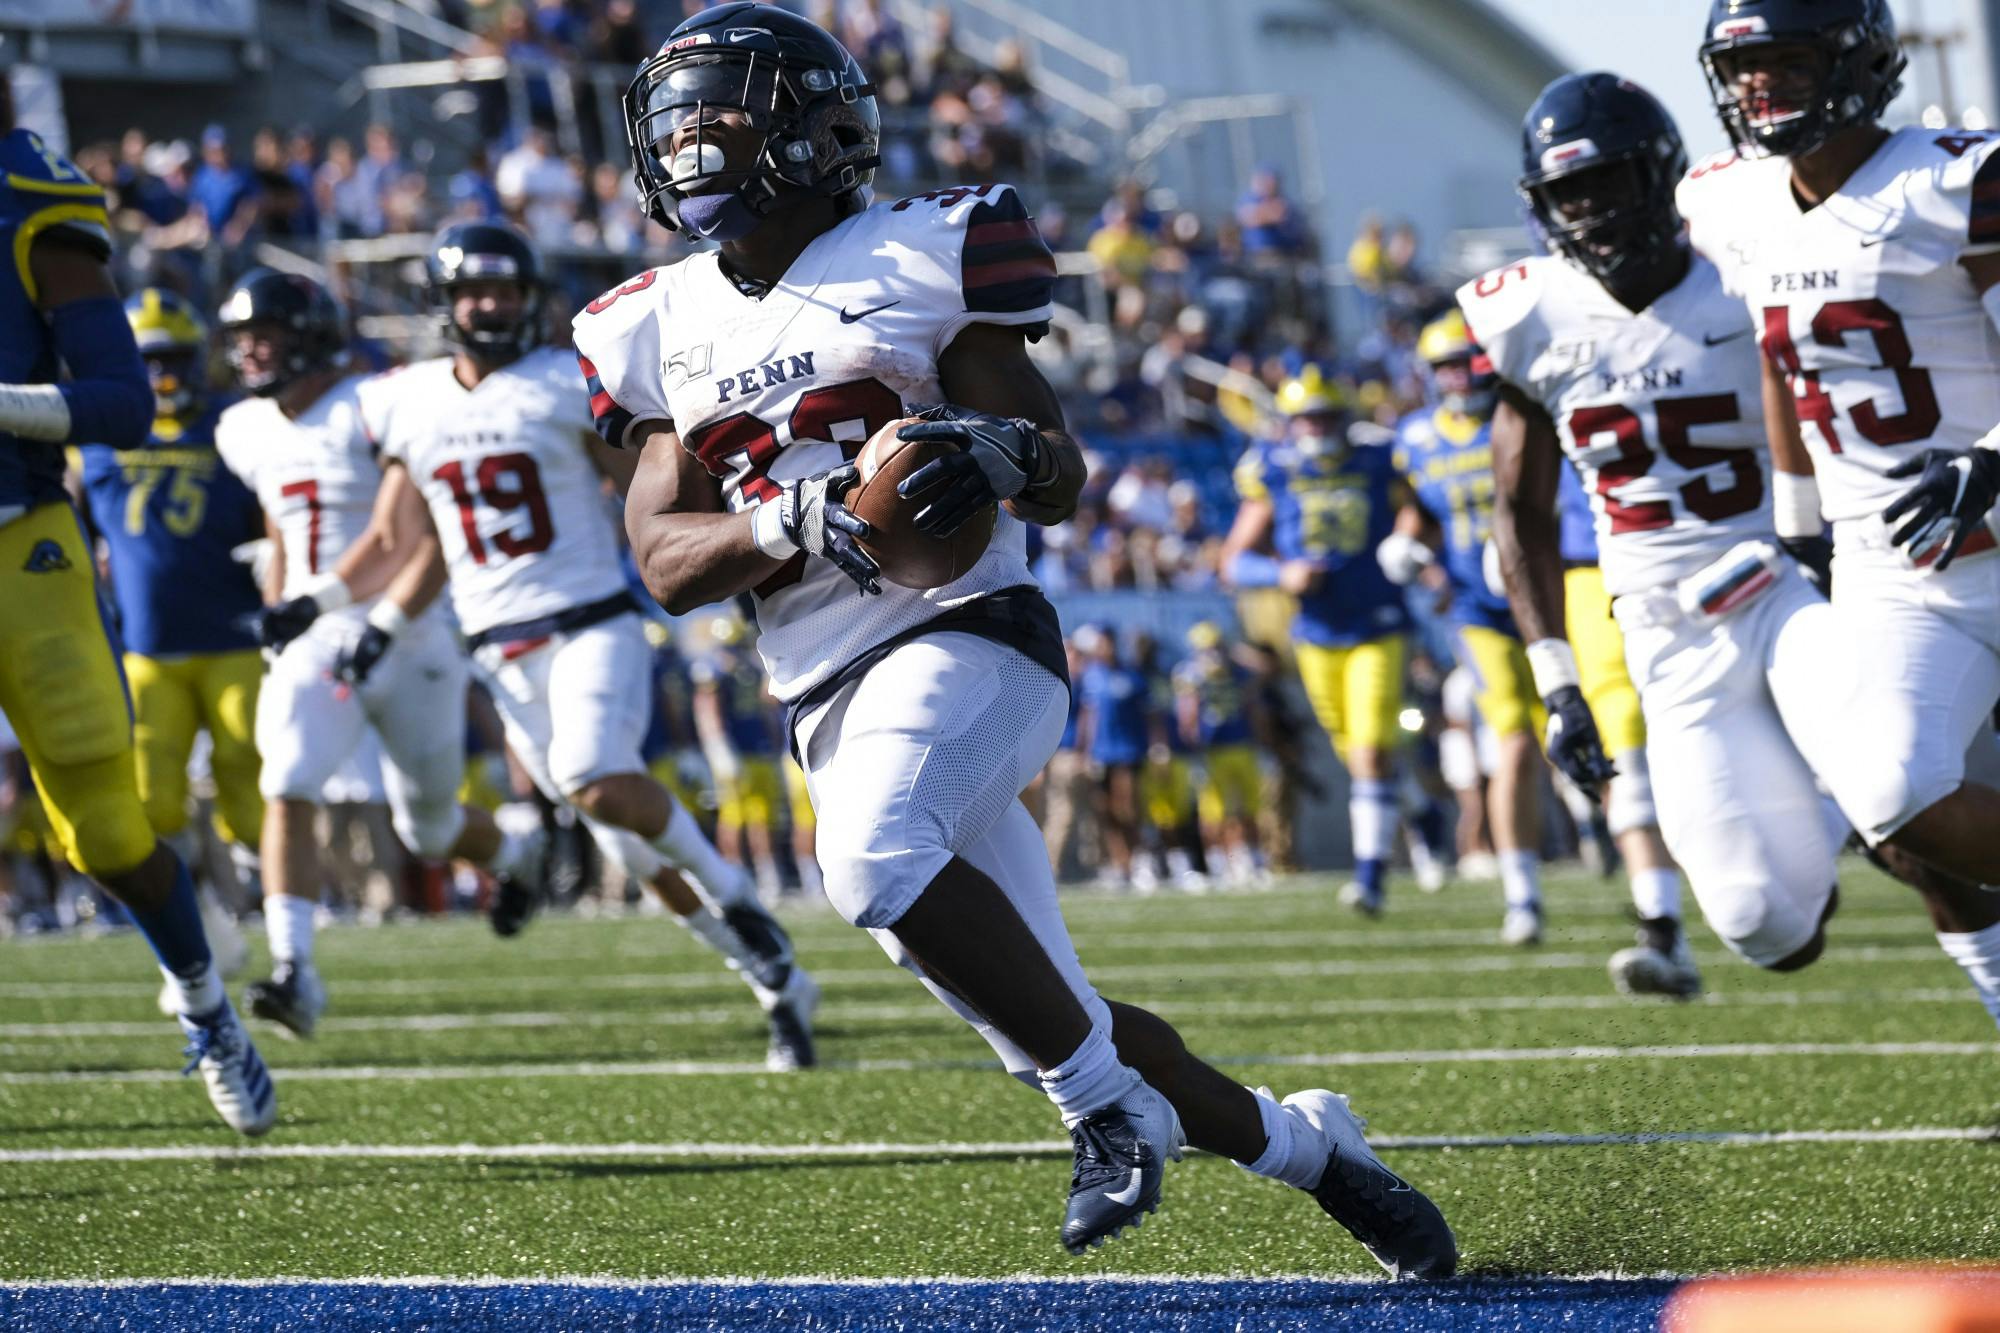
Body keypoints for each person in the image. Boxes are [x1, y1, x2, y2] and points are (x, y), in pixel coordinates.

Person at [580, 2, 1454, 1272]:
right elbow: (664, 563)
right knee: (1049, 1012)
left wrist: (996, 451)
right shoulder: (647, 323)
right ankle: (1314, 1152)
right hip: (821, 686)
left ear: (812, 122)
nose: (689, 136)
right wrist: (804, 517)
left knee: (873, 864)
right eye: (674, 115)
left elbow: (1057, 474)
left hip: (968, 631)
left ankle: (1103, 1113)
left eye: (719, 106)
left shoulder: (924, 251)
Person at [1478, 68, 2000, 1019]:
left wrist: (1808, 538)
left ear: (1662, 176)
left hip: (1791, 589)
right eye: (1569, 192)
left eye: (1610, 181)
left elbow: (1807, 395)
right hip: (1666, 634)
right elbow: (1515, 512)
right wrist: (1557, 678)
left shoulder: (1744, 258)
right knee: (1770, 929)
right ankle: (1821, 822)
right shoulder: (1526, 313)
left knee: (1903, 801)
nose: (1590, 210)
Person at [332, 222, 818, 1069]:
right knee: (626, 845)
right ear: (445, 303)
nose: (492, 306)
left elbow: (655, 489)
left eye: (507, 291)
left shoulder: (563, 383)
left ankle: (747, 906)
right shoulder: (408, 401)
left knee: (596, 781)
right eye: (476, 292)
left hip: (590, 620)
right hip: (496, 646)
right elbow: (425, 543)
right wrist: (379, 626)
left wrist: (716, 571)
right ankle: (774, 979)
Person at [1681, 0, 2000, 1015]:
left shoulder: (1953, 177)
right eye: (1740, 70)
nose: (1756, 89)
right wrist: (1795, 523)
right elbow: (1784, 362)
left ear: (1858, 61)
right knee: (1889, 795)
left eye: (1784, 62)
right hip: (1899, 573)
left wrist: (1987, 456)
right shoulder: (1726, 200)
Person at [0, 93, 274, 1133]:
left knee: (110, 833)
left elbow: (117, 400)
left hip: (17, 534)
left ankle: (208, 1005)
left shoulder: (27, 196)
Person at [213, 268, 543, 1039]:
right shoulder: (245, 428)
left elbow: (421, 538)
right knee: (286, 779)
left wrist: (385, 621)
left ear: (311, 335)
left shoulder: (377, 405)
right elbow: (282, 526)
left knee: (426, 825)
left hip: (412, 627)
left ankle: (517, 854)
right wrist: (280, 613)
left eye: (268, 334)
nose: (253, 351)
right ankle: (295, 970)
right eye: (243, 338)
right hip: (317, 638)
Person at [73, 288, 262, 1007]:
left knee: (251, 798)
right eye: (148, 362)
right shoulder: (95, 434)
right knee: (151, 809)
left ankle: (281, 938)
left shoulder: (232, 425)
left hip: (233, 640)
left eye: (173, 360)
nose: (162, 376)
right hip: (147, 650)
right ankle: (208, 931)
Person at [1385, 311, 1552, 947]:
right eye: (1445, 366)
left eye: (1468, 360)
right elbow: (1421, 511)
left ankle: (1626, 857)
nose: (1459, 376)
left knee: (1579, 737)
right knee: (1511, 740)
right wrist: (1408, 545)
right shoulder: (1418, 437)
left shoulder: (1524, 416)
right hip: (1478, 608)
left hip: (1550, 593)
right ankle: (1523, 894)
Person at [1220, 368, 1412, 915]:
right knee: (1357, 754)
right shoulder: (1273, 471)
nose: (1317, 428)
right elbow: (1234, 562)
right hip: (1316, 634)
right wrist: (1281, 576)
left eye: (1326, 417)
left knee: (1371, 750)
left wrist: (1411, 544)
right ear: (1290, 424)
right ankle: (1415, 810)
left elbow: (1419, 511)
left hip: (1378, 622)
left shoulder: (1377, 461)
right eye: (1307, 419)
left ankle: (1370, 878)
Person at [692, 615, 788, 898]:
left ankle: (766, 872)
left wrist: (771, 742)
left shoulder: (750, 665)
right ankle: (733, 871)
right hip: (734, 750)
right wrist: (719, 747)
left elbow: (764, 707)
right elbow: (708, 709)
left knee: (762, 816)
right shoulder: (712, 669)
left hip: (756, 747)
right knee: (733, 815)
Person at [1174, 622, 1268, 888]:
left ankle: (1254, 861)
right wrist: (1194, 750)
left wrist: (1237, 653)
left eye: (1216, 647)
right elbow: (1186, 715)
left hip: (1242, 745)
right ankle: (1218, 864)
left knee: (1249, 808)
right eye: (1207, 649)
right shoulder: (1190, 675)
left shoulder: (1238, 671)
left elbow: (1265, 672)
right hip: (1211, 751)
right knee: (1214, 813)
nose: (1213, 654)